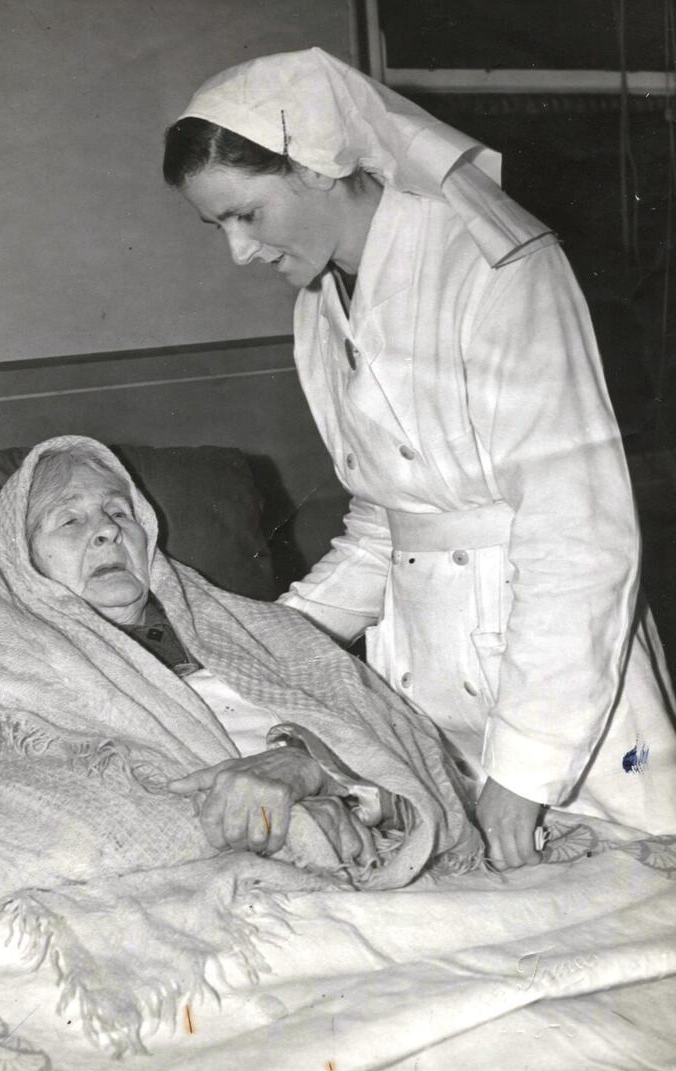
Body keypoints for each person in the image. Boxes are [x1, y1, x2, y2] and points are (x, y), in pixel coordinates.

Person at [162, 46, 676, 869]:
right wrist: (258, 643)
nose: (238, 252)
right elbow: (388, 524)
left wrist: (527, 762)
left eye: (246, 213)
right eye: (216, 224)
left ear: (321, 165)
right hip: (427, 687)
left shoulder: (496, 267)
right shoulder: (320, 306)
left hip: (557, 697)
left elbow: (580, 528)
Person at [0, 436, 480, 1049]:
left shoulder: (265, 632)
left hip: (377, 882)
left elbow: (419, 769)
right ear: (20, 559)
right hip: (178, 937)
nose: (108, 532)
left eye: (119, 512)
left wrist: (313, 768)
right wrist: (291, 824)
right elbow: (7, 838)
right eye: (69, 519)